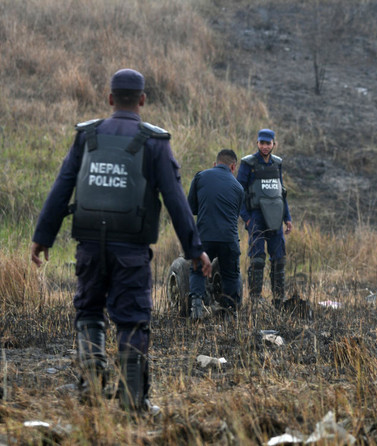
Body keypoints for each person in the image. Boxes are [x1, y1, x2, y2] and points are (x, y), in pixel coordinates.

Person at [30, 68, 212, 413]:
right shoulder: (154, 142)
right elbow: (175, 200)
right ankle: (132, 401)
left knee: (88, 310)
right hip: (131, 251)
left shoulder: (87, 136)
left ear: (110, 98)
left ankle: (92, 381)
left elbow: (62, 186)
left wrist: (43, 236)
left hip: (88, 247)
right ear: (142, 100)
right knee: (131, 318)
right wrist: (194, 250)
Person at [237, 129, 293, 304]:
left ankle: (278, 298)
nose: (265, 147)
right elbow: (239, 192)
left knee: (279, 259)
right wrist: (246, 218)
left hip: (276, 218)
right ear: (257, 143)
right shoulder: (248, 163)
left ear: (274, 144)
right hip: (256, 217)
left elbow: (281, 194)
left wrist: (287, 218)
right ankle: (255, 298)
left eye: (268, 143)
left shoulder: (277, 163)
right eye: (262, 143)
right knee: (257, 258)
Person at [187, 149, 244, 318]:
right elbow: (235, 215)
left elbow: (191, 208)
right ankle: (229, 311)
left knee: (197, 270)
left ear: (215, 163)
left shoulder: (200, 177)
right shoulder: (239, 187)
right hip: (229, 238)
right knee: (231, 274)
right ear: (233, 167)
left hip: (205, 235)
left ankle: (196, 306)